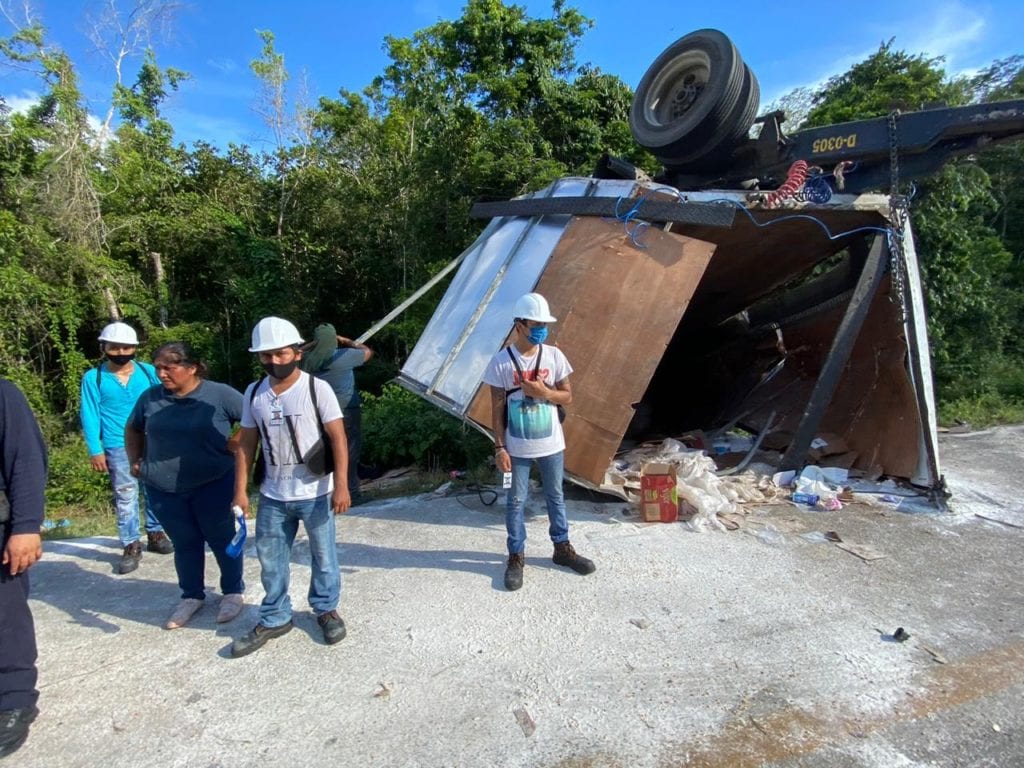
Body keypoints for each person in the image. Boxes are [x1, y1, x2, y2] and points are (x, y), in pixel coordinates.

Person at [230, 317, 351, 658]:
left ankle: (326, 609)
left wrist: (341, 485)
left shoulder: (316, 389)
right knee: (270, 560)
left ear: (297, 352)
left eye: (281, 354)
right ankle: (274, 616)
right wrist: (240, 491)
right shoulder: (254, 393)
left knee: (324, 557)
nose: (274, 361)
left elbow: (338, 438)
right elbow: (246, 445)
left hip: (316, 492)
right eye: (266, 356)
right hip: (272, 494)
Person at [124, 342, 246, 630]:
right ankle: (191, 595)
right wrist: (136, 460)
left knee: (222, 540)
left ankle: (232, 591)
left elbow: (256, 420)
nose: (162, 374)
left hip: (213, 483)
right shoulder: (150, 398)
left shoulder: (219, 394)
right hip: (163, 488)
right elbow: (133, 427)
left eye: (169, 367)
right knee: (185, 544)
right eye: (158, 367)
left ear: (192, 368)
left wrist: (235, 442)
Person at [483, 292, 596, 591]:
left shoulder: (554, 356)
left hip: (551, 444)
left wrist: (544, 393)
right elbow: (496, 407)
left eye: (544, 324)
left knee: (555, 497)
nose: (541, 329)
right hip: (516, 446)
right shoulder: (501, 362)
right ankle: (516, 556)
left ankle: (562, 549)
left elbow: (567, 396)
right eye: (535, 324)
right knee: (516, 501)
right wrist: (499, 446)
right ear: (519, 325)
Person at [80, 321, 173, 575]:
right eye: (115, 348)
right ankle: (131, 543)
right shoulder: (94, 378)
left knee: (155, 488)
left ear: (134, 348)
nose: (121, 353)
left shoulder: (147, 372)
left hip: (152, 440)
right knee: (125, 494)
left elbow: (166, 399)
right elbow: (89, 414)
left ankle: (155, 533)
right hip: (116, 444)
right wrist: (95, 449)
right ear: (104, 347)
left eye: (126, 348)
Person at [0, 379, 47, 758]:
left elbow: (26, 458)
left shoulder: (3, 394)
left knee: (5, 615)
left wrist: (27, 526)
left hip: (2, 532)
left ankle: (14, 699)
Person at [299, 323, 373, 503]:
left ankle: (326, 492)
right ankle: (352, 493)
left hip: (318, 412)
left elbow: (293, 354)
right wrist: (345, 340)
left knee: (326, 451)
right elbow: (368, 352)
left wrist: (312, 344)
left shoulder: (305, 360)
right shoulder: (343, 355)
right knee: (349, 451)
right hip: (346, 410)